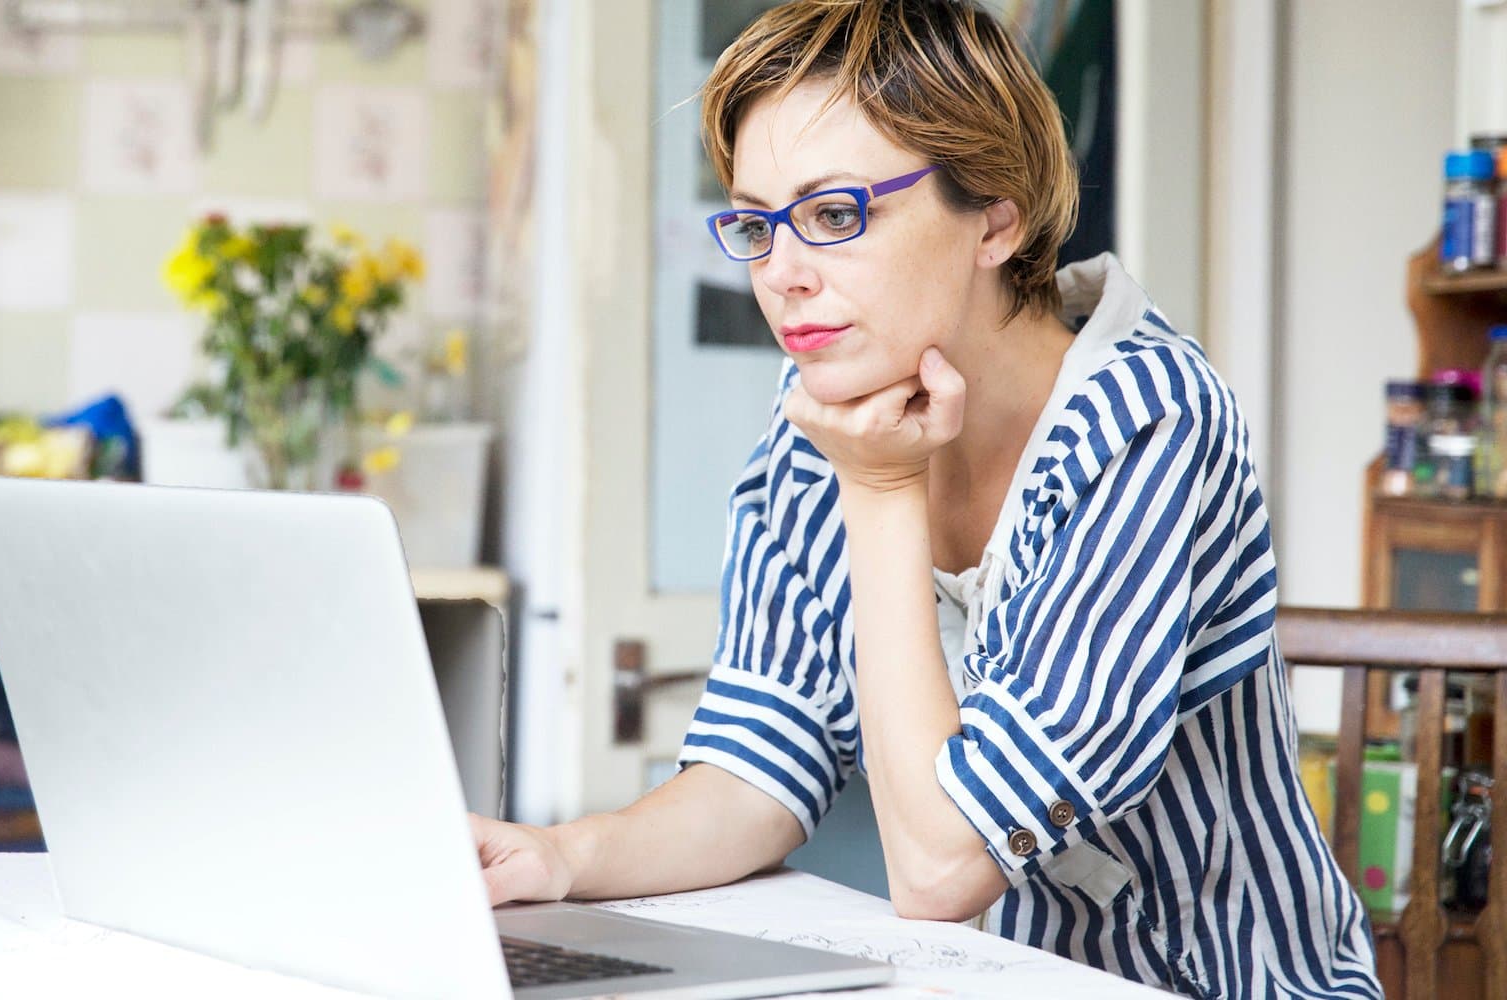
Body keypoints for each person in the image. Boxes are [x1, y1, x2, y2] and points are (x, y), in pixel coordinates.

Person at [469, 2, 1381, 996]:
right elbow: (751, 774)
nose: (779, 275)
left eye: (833, 216)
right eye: (753, 224)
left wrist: (879, 489)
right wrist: (557, 858)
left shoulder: (1146, 421)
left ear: (995, 216)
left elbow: (941, 866)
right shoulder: (824, 418)